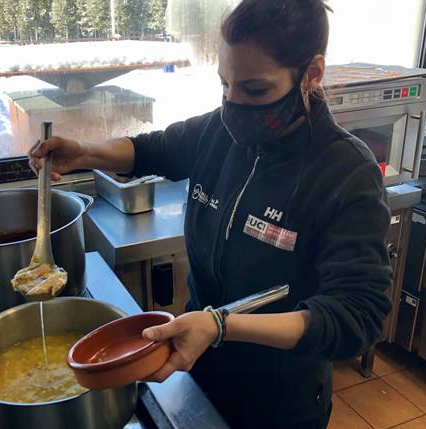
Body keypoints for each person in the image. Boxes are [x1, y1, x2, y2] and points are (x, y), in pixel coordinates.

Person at [29, 1, 392, 427]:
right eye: (225, 85)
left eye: (255, 90)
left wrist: (221, 326)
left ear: (311, 73)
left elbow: (357, 314)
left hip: (279, 400)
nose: (234, 105)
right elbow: (155, 148)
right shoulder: (219, 131)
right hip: (201, 370)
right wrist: (87, 153)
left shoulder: (345, 172)